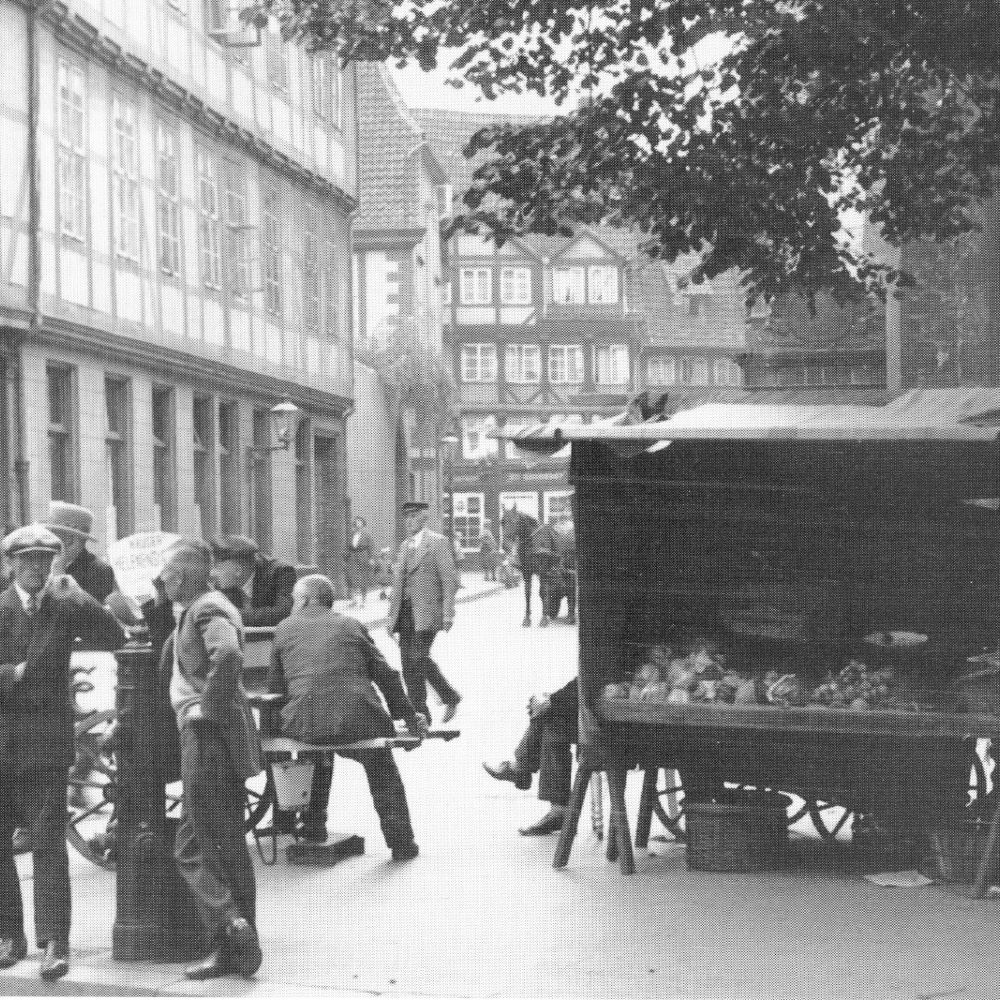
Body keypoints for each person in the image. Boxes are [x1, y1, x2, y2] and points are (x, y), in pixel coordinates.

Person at [0, 525, 126, 980]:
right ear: (11, 564)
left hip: (46, 748)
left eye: (44, 561)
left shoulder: (63, 606)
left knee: (49, 845)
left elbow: (115, 636)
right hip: (2, 742)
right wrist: (11, 674)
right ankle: (7, 937)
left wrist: (80, 596)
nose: (36, 568)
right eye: (27, 560)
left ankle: (55, 941)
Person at [159, 539, 263, 981]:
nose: (162, 580)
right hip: (224, 739)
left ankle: (231, 926)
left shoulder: (204, 608)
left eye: (166, 574)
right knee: (226, 844)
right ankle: (239, 944)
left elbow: (229, 655)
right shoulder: (204, 604)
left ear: (179, 577)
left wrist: (207, 708)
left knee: (192, 846)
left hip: (206, 738)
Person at [268, 575, 425, 857]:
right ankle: (402, 842)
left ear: (303, 600)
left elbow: (275, 688)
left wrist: (273, 733)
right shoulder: (352, 625)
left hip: (306, 724)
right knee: (381, 767)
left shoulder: (283, 629)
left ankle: (314, 826)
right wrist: (410, 719)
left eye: (294, 599)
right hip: (359, 721)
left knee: (316, 753)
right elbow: (386, 676)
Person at [387, 501, 461, 724]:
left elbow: (450, 581)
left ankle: (421, 714)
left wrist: (448, 613)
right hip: (405, 614)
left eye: (414, 517)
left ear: (423, 519)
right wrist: (391, 618)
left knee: (417, 659)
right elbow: (397, 585)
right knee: (408, 663)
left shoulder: (437, 543)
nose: (408, 522)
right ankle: (436, 704)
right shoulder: (405, 546)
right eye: (406, 518)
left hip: (427, 612)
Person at [483, 678, 579, 836]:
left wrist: (552, 701)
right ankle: (557, 810)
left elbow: (595, 675)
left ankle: (520, 769)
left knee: (551, 720)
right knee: (549, 714)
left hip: (619, 721)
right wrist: (552, 700)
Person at [209, 535, 296, 627]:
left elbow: (282, 614)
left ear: (238, 570)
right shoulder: (224, 582)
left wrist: (229, 614)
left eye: (217, 568)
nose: (212, 574)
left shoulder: (281, 572)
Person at [502, 507, 540, 627]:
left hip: (536, 549)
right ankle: (527, 614)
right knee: (526, 584)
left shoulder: (530, 524)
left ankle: (544, 613)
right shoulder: (515, 532)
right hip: (523, 550)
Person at [546, 514, 577, 625]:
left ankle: (571, 614)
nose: (563, 522)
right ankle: (552, 610)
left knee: (571, 586)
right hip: (561, 566)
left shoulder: (571, 531)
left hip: (571, 565)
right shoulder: (555, 532)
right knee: (554, 586)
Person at [530, 518, 560, 628]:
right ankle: (545, 615)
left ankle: (545, 615)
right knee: (544, 590)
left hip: (549, 566)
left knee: (544, 590)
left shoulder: (549, 533)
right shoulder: (542, 534)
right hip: (546, 567)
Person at [346, 516, 374, 607]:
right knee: (352, 577)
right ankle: (354, 600)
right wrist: (346, 557)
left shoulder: (367, 535)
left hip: (363, 556)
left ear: (363, 523)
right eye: (356, 521)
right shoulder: (352, 534)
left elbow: (371, 547)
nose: (358, 523)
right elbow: (348, 546)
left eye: (360, 521)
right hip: (353, 557)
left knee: (363, 578)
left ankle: (363, 601)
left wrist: (371, 558)